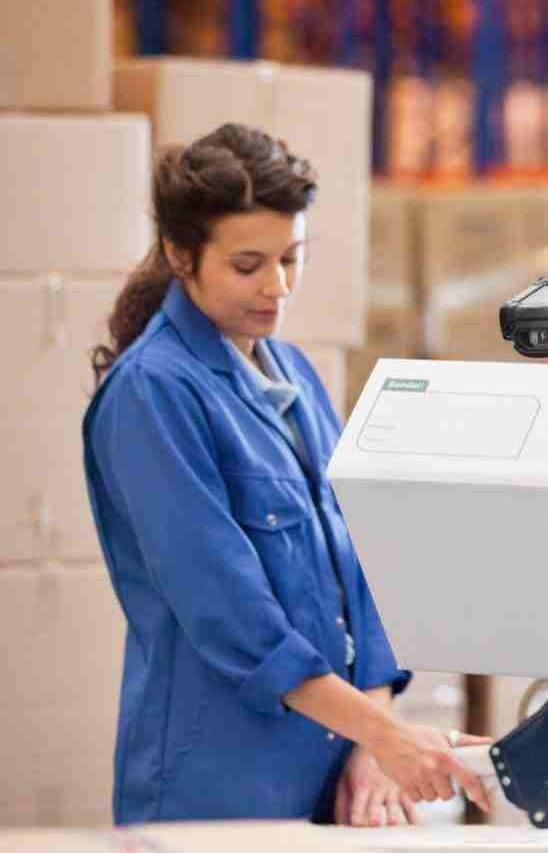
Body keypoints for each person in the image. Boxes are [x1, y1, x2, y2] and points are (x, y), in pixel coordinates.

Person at [82, 125, 492, 826]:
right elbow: (231, 616)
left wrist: (370, 745)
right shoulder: (153, 394)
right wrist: (385, 736)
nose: (277, 288)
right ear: (182, 256)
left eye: (290, 259)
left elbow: (361, 576)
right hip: (216, 789)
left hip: (332, 772)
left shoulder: (292, 372)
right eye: (248, 266)